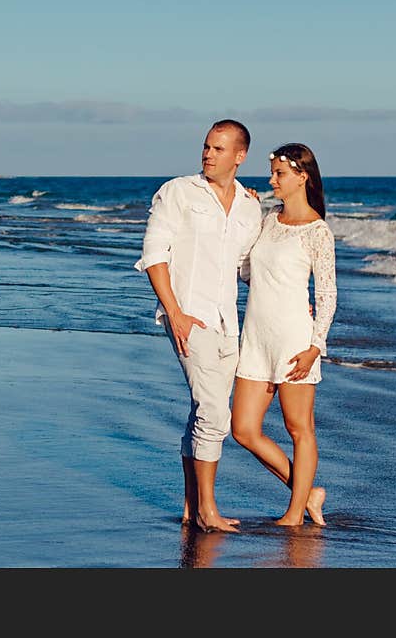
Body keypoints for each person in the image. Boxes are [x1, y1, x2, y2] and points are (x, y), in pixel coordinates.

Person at [135, 119, 262, 533]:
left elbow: (246, 268)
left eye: (219, 149)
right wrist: (174, 311)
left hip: (228, 321)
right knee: (213, 413)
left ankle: (191, 506)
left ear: (240, 156)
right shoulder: (177, 192)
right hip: (188, 315)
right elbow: (154, 253)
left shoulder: (249, 205)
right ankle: (208, 509)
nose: (208, 154)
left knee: (200, 412)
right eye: (206, 146)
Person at [231, 142, 336, 526]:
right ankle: (309, 494)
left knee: (299, 428)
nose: (272, 179)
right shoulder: (268, 219)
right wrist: (247, 211)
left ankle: (295, 513)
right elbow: (246, 272)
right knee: (242, 429)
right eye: (272, 172)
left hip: (295, 340)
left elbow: (327, 293)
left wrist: (315, 347)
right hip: (256, 337)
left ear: (302, 177)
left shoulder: (317, 232)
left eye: (280, 174)